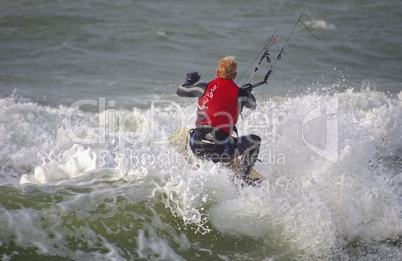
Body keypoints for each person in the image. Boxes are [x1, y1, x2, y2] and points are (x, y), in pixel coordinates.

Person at [176, 56, 262, 185]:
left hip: (197, 147)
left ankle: (204, 162)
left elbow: (181, 91)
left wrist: (189, 80)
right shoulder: (241, 94)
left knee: (195, 131)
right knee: (255, 141)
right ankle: (244, 177)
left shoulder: (203, 87)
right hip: (220, 150)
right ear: (235, 75)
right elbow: (253, 104)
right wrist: (247, 92)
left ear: (217, 72)